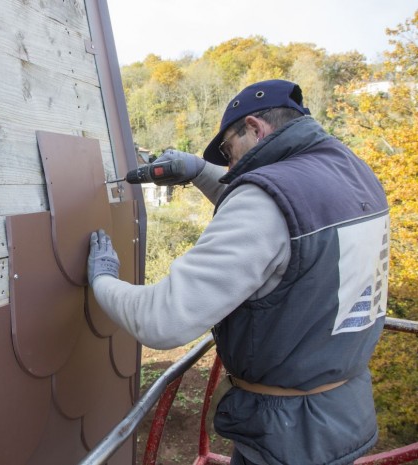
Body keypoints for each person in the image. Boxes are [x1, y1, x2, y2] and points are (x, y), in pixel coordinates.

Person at [87, 80, 390, 465]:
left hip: (284, 436)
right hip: (339, 413)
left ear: (255, 127)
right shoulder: (351, 170)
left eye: (228, 150)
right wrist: (198, 171)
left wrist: (103, 280)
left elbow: (162, 320)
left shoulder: (265, 201)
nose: (229, 166)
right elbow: (286, 217)